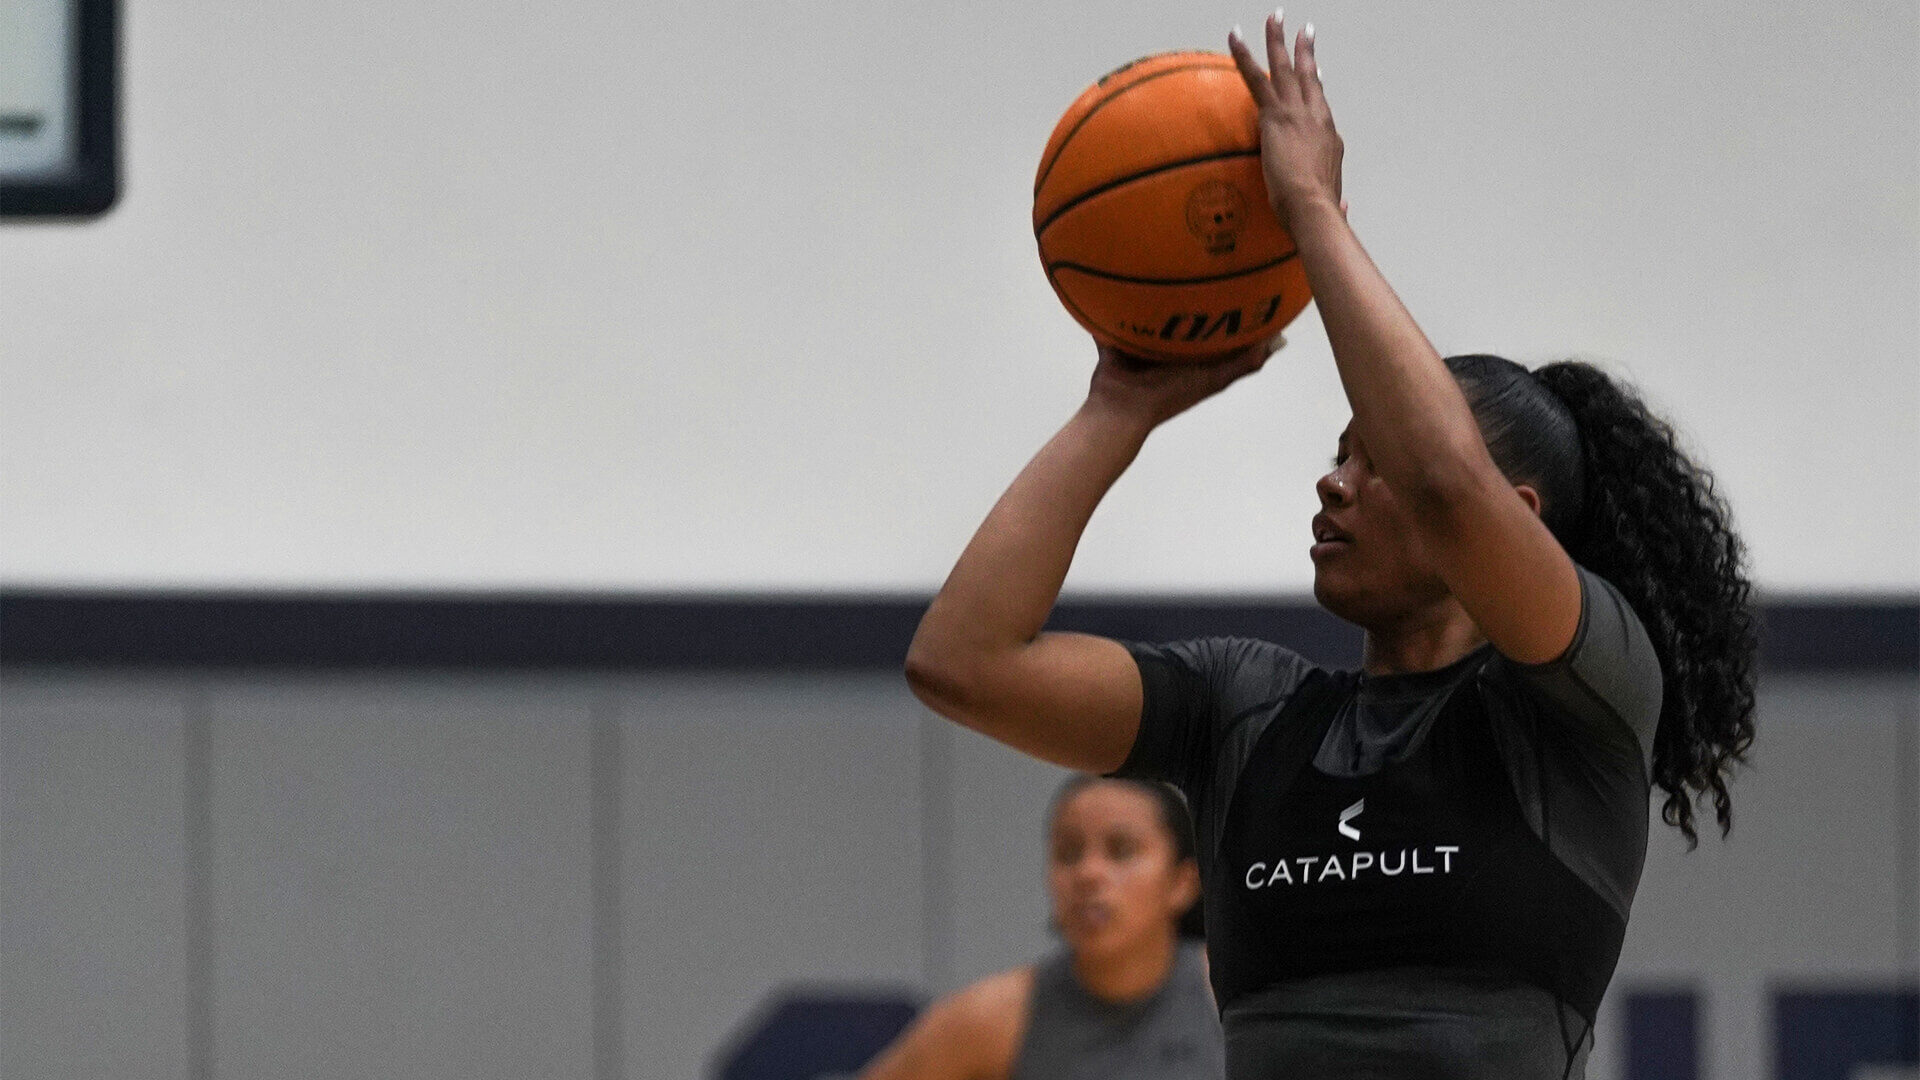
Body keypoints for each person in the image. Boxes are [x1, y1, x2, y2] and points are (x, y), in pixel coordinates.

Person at [904, 13, 1757, 1079]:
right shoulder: (1245, 711)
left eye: (1375, 459)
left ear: (1519, 521)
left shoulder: (1583, 698)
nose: (1335, 480)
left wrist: (1311, 210)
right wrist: (1116, 409)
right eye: (1338, 451)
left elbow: (1448, 484)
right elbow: (963, 662)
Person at [859, 775, 1225, 1080]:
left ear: (1182, 882)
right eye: (1068, 853)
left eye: (1120, 850)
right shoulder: (995, 1014)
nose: (1087, 874)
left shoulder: (1227, 997)